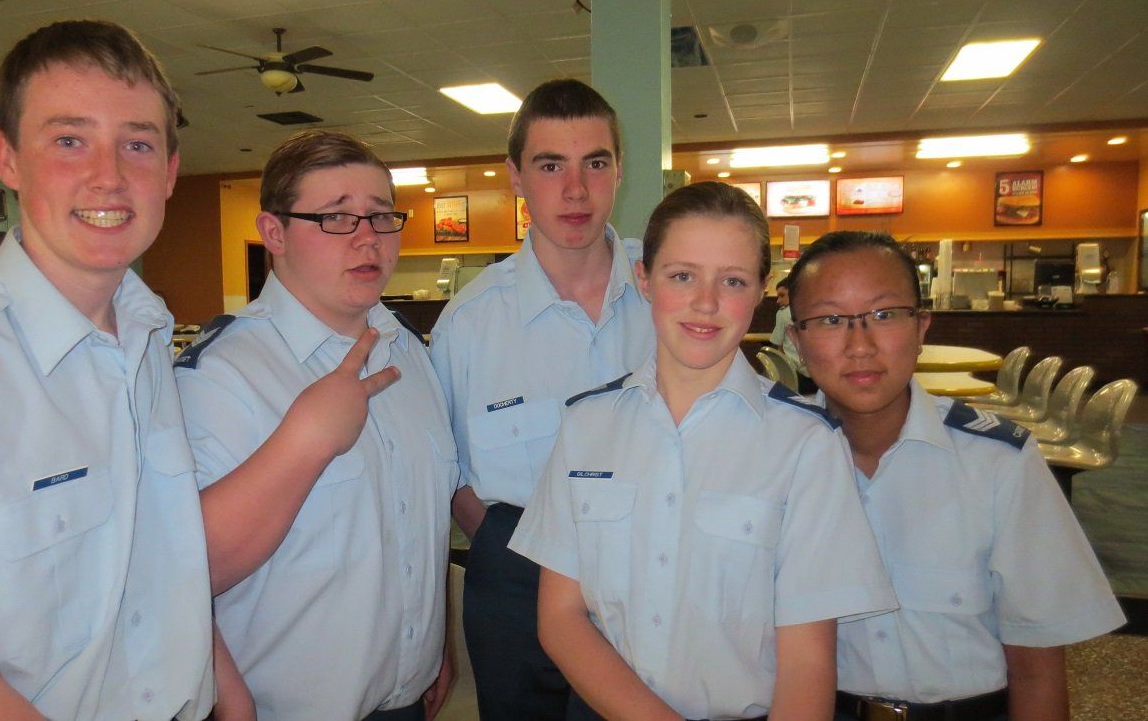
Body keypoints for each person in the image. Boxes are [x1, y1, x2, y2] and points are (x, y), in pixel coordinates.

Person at [0, 21, 394, 720]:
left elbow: (155, 562)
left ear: (169, 171)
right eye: (69, 140)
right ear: (6, 158)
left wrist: (226, 687)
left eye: (137, 144)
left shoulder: (142, 342)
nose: (108, 175)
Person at [509, 182, 896, 721]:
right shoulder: (586, 426)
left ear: (762, 291)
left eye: (732, 280)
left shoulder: (805, 444)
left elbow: (807, 662)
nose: (706, 302)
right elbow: (560, 618)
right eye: (682, 276)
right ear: (644, 279)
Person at [173, 130, 459, 721]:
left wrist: (436, 645)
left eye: (381, 216)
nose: (367, 237)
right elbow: (180, 570)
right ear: (274, 233)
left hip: (406, 699)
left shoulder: (408, 351)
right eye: (336, 217)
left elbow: (420, 522)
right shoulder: (221, 376)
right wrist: (304, 443)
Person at [785, 231, 1126, 721]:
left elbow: (1036, 668)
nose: (860, 346)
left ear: (921, 327)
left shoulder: (997, 463)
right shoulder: (774, 463)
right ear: (797, 342)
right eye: (831, 320)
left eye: (885, 315)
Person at [429, 78, 654, 720]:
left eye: (595, 163)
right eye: (551, 165)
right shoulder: (469, 324)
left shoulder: (669, 290)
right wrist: (507, 548)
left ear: (619, 169)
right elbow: (445, 470)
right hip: (516, 576)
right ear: (516, 176)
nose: (575, 190)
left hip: (651, 567)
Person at [767, 273, 814, 394]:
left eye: (782, 295)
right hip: (820, 375)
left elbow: (777, 343)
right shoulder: (814, 311)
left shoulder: (783, 314)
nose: (778, 301)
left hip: (798, 375)